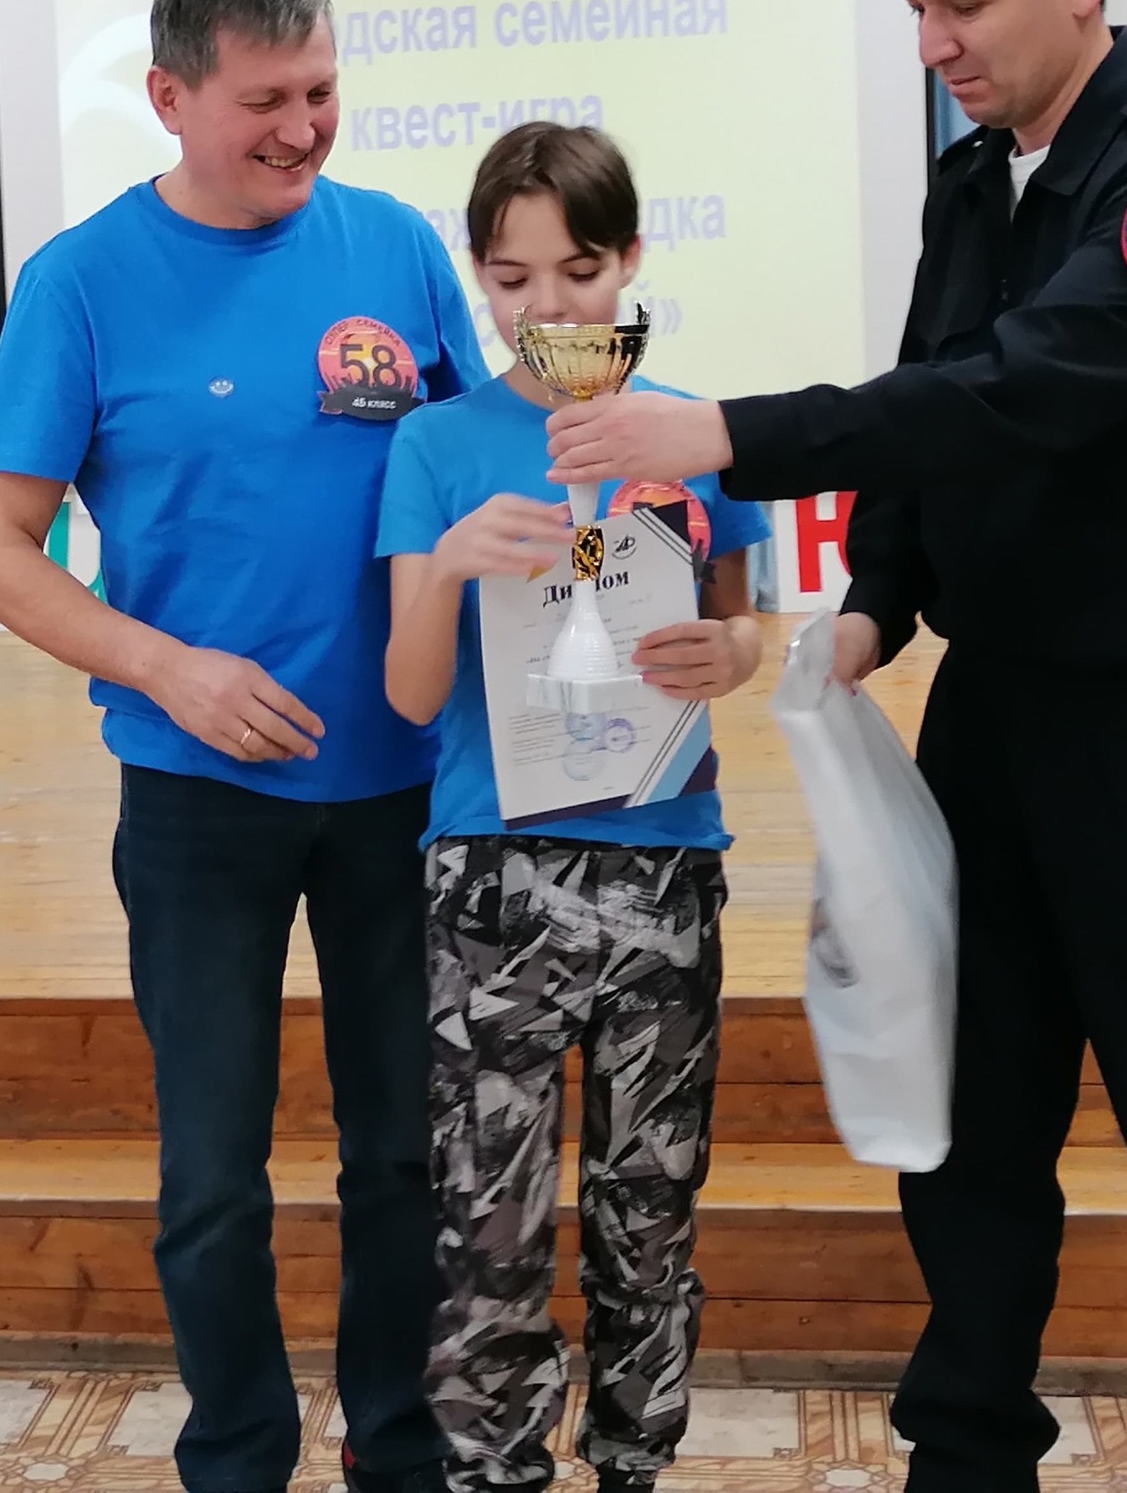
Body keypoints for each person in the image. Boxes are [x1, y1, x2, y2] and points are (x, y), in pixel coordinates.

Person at [543, 0, 1127, 1493]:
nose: (934, 43)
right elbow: (928, 400)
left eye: (964, 5)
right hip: (992, 713)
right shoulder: (976, 177)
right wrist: (876, 602)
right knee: (971, 1106)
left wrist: (728, 435)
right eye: (914, 10)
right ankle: (967, 1445)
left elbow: (1025, 389)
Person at [0, 0, 484, 1493]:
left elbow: (478, 467)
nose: (302, 129)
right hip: (196, 800)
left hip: (405, 785)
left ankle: (398, 1444)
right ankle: (239, 1458)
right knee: (210, 1181)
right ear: (170, 97)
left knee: (406, 1158)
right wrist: (164, 666)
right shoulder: (80, 282)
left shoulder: (397, 248)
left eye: (321, 91)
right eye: (266, 101)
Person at [376, 125, 768, 1493]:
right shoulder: (435, 442)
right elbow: (410, 695)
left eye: (580, 272)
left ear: (632, 261)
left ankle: (633, 1466)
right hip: (491, 882)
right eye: (511, 280)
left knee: (648, 1217)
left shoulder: (692, 434)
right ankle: (493, 1471)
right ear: (479, 279)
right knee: (487, 1227)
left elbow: (739, 631)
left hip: (663, 865)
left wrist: (735, 653)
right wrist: (450, 566)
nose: (549, 307)